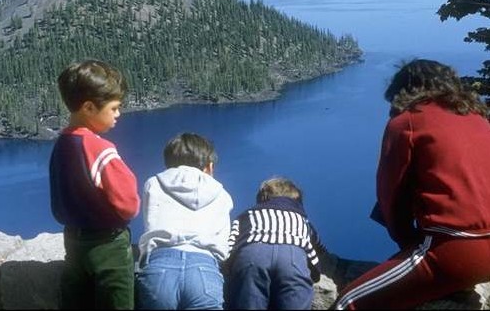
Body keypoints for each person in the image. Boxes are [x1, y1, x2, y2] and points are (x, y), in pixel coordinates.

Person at [333, 59, 490, 310]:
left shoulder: (407, 122)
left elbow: (391, 198)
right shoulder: (478, 118)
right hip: (479, 248)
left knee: (347, 302)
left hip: (456, 250)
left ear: (402, 91)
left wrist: (407, 242)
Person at [49, 59, 140, 310]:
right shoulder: (100, 149)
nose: (118, 115)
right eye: (114, 108)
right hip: (108, 246)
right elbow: (128, 204)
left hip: (74, 242)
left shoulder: (62, 144)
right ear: (89, 107)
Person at [135, 132, 233, 310]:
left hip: (160, 266)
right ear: (210, 167)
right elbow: (223, 246)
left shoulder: (153, 184)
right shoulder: (222, 195)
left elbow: (150, 220)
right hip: (204, 269)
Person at [225, 176, 328, 310]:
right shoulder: (302, 219)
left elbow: (231, 241)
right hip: (293, 257)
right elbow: (317, 242)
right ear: (296, 200)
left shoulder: (247, 215)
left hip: (252, 253)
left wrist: (227, 266)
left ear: (262, 198)